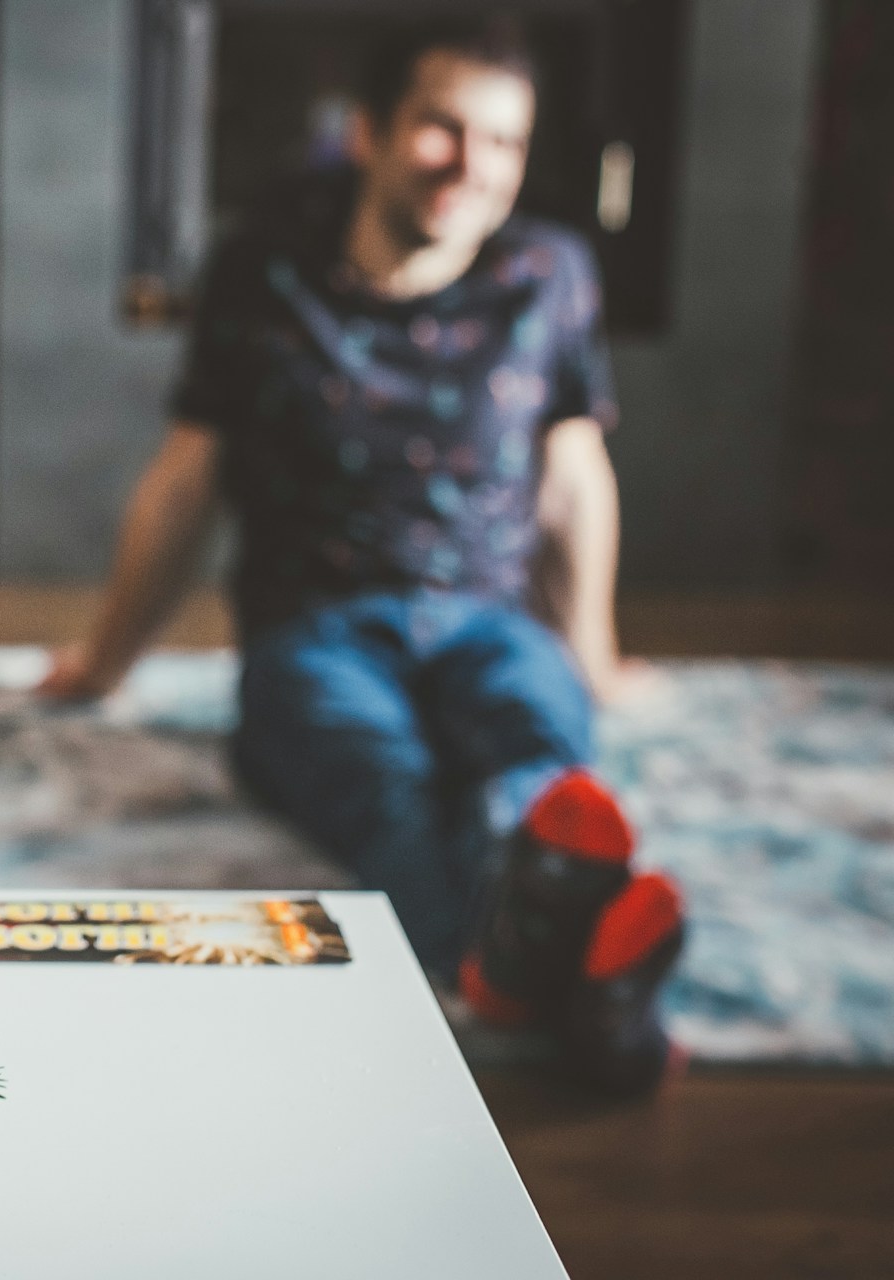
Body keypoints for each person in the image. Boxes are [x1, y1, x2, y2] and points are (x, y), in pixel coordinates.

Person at [41, 19, 684, 1094]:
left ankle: (524, 972)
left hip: (488, 614)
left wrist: (600, 656)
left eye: (503, 142)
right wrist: (105, 661)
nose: (472, 168)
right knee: (384, 784)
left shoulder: (550, 272)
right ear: (370, 132)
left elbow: (575, 481)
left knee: (538, 762)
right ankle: (583, 990)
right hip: (318, 623)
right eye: (442, 128)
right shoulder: (264, 264)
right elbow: (186, 481)